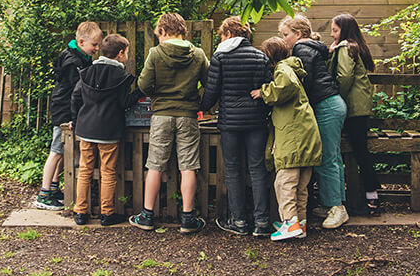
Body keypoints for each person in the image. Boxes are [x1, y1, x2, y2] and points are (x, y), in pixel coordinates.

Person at [129, 13, 209, 234]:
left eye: (159, 35)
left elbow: (144, 84)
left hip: (162, 114)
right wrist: (200, 101)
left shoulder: (156, 53)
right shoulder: (198, 54)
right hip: (188, 115)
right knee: (189, 166)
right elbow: (210, 82)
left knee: (155, 164)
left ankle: (147, 216)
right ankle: (188, 219)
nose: (159, 39)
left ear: (163, 31)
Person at [200, 17, 274, 238]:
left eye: (222, 35)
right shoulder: (260, 56)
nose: (220, 39)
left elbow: (211, 90)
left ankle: (239, 220)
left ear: (229, 34)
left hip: (230, 121)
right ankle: (261, 222)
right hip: (256, 121)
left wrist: (201, 109)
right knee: (258, 168)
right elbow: (267, 89)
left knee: (233, 170)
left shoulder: (221, 57)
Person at [277, 14, 349, 229]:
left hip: (326, 105)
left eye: (286, 35)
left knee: (327, 157)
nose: (284, 40)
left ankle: (337, 208)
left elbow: (302, 82)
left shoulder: (301, 49)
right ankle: (332, 204)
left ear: (298, 34)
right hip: (332, 104)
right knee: (332, 155)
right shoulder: (313, 46)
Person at [257, 37, 322, 241]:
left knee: (284, 181)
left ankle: (289, 222)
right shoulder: (294, 68)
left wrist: (263, 92)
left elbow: (284, 88)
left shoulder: (283, 70)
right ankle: (300, 222)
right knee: (301, 184)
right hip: (306, 130)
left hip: (293, 133)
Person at [34, 21, 102, 210]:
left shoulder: (81, 57)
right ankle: (44, 193)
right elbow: (75, 93)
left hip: (68, 109)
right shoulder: (73, 62)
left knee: (64, 151)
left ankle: (54, 188)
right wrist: (73, 118)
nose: (97, 49)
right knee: (56, 151)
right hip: (64, 110)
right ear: (81, 42)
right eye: (94, 45)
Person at [69, 33, 136, 226]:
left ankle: (80, 212)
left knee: (85, 170)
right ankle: (107, 214)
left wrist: (75, 119)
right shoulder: (122, 77)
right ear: (120, 54)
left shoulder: (87, 72)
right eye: (127, 52)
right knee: (108, 172)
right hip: (109, 130)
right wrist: (139, 91)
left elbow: (75, 97)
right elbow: (124, 103)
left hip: (85, 129)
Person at [330, 13, 381, 216]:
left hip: (353, 108)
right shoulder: (355, 47)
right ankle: (371, 198)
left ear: (345, 30)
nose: (332, 34)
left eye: (335, 30)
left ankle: (372, 200)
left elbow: (344, 76)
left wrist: (336, 99)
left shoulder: (346, 48)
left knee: (360, 152)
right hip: (360, 107)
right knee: (361, 152)